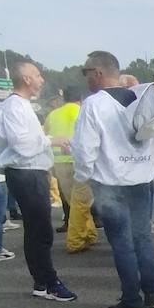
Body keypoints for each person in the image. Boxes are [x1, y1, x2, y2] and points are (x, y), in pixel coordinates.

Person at [72, 50, 154, 308]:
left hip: (112, 184)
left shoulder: (94, 104)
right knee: (142, 237)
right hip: (143, 180)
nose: (86, 77)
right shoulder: (140, 98)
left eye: (86, 72)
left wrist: (82, 177)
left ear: (98, 73)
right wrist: (150, 162)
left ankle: (132, 299)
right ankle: (152, 291)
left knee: (122, 243)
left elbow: (84, 148)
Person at [0, 61, 77, 301]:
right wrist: (50, 139)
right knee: (39, 231)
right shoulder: (14, 107)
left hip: (33, 172)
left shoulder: (21, 106)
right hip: (26, 173)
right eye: (38, 75)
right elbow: (22, 144)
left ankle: (42, 283)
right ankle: (48, 282)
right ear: (27, 79)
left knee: (39, 231)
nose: (42, 80)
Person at [46, 88, 96, 251]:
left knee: (74, 203)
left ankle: (89, 233)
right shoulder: (83, 112)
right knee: (81, 203)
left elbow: (44, 135)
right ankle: (76, 240)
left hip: (59, 163)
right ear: (80, 99)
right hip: (79, 161)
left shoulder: (53, 114)